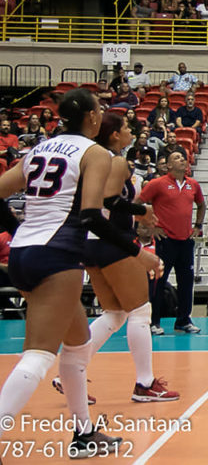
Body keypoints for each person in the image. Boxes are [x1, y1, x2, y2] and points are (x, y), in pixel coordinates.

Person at [0, 89, 161, 456]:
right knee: (39, 355)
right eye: (100, 110)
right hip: (57, 254)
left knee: (77, 346)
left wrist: (15, 228)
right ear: (91, 117)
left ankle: (83, 434)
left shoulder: (38, 150)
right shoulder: (95, 153)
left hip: (25, 250)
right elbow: (92, 215)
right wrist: (138, 252)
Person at [52, 112, 179, 404]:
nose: (130, 132)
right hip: (111, 242)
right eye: (125, 128)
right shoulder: (115, 160)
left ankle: (68, 373)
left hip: (91, 243)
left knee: (114, 314)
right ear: (113, 135)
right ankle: (145, 384)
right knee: (139, 311)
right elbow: (109, 201)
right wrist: (141, 212)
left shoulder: (90, 161)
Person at [140, 151, 206, 335]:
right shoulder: (157, 184)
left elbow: (201, 205)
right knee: (158, 282)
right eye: (177, 158)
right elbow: (138, 203)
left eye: (184, 157)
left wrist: (198, 226)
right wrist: (151, 226)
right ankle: (154, 322)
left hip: (185, 241)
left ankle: (184, 320)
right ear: (168, 165)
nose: (182, 160)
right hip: (165, 240)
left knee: (186, 283)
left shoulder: (193, 184)